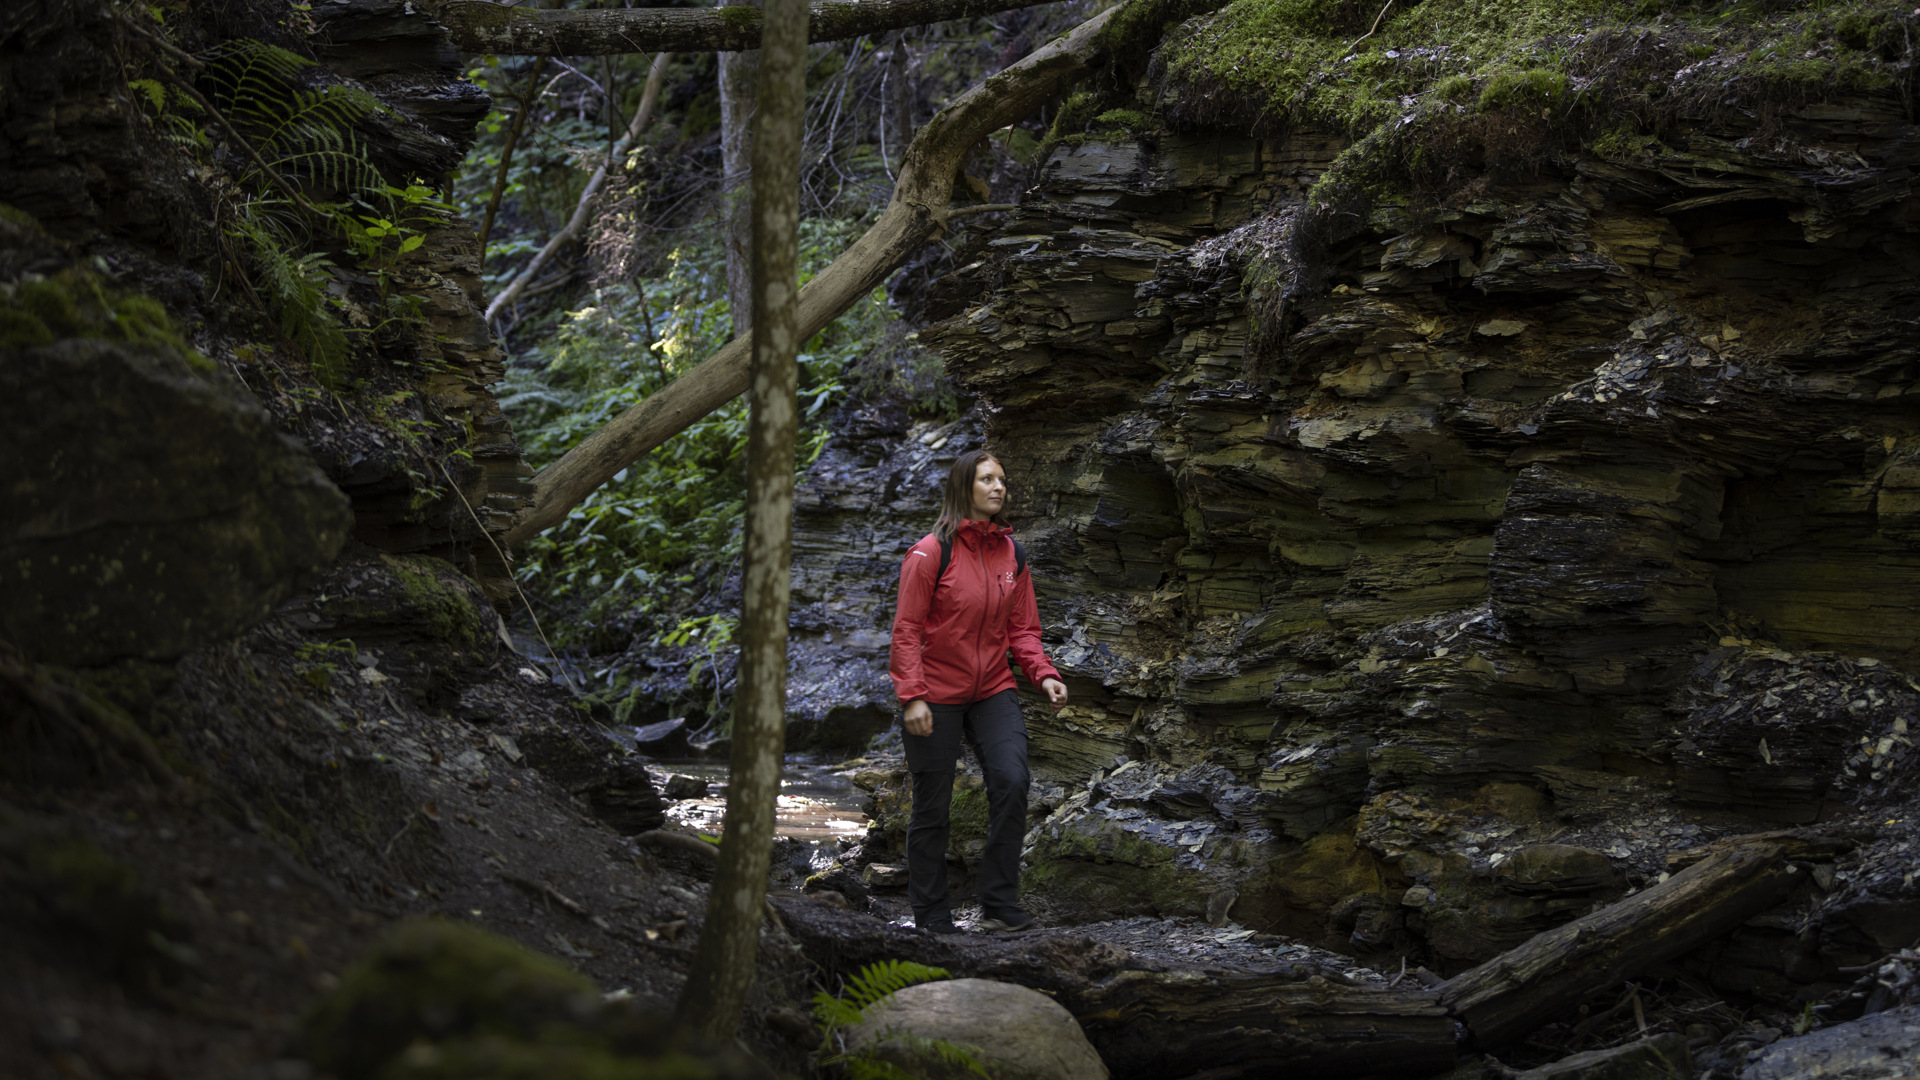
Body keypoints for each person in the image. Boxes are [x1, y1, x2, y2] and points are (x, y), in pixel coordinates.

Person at [888, 449, 1068, 934]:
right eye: (987, 479)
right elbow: (906, 631)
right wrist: (913, 696)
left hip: (993, 687)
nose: (998, 487)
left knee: (1012, 781)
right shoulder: (930, 552)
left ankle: (999, 907)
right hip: (935, 693)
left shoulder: (1013, 554)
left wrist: (1044, 674)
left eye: (1002, 479)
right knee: (933, 805)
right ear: (964, 487)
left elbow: (1023, 630)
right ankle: (932, 918)